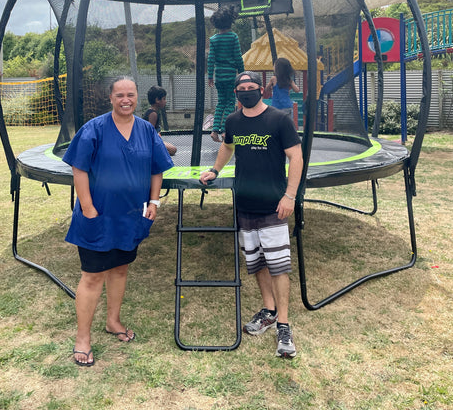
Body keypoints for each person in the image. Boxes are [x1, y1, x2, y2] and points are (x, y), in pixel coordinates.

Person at [63, 77, 174, 367]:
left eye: (131, 95)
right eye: (120, 95)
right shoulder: (94, 130)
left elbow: (156, 168)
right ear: (110, 98)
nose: (126, 100)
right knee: (92, 276)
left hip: (130, 216)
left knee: (120, 269)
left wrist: (154, 201)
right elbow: (79, 169)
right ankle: (83, 339)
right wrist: (87, 208)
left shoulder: (147, 130)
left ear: (137, 98)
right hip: (97, 215)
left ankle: (113, 321)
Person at [200, 71, 303, 358]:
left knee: (279, 266)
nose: (246, 92)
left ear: (261, 89)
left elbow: (296, 157)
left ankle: (283, 324)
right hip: (244, 204)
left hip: (273, 204)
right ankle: (269, 310)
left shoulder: (279, 120)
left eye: (251, 87)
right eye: (241, 89)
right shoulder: (233, 121)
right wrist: (215, 169)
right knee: (257, 263)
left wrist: (290, 195)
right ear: (236, 93)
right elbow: (227, 145)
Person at [207, 5, 245, 142]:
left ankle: (214, 130)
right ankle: (224, 130)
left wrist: (210, 76)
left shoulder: (214, 39)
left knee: (220, 102)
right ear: (230, 21)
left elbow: (211, 59)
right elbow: (238, 57)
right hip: (230, 76)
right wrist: (242, 74)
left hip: (218, 77)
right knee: (230, 102)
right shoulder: (233, 37)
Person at [143, 85, 177, 156]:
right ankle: (152, 153)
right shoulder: (153, 114)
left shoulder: (154, 112)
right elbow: (149, 133)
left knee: (172, 149)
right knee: (172, 150)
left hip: (154, 140)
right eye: (164, 99)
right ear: (157, 100)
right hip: (149, 142)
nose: (165, 101)